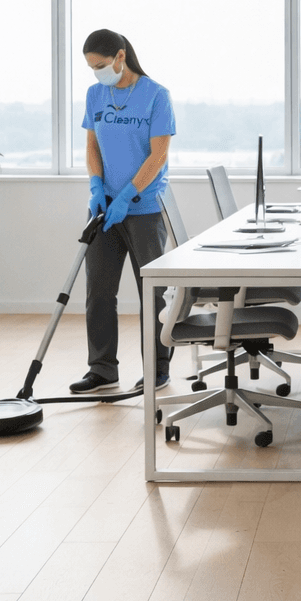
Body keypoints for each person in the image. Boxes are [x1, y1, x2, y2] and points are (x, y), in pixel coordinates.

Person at [70, 29, 176, 394]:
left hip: (143, 208)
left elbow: (158, 155)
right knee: (98, 291)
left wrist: (128, 195)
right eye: (91, 68)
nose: (97, 73)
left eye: (100, 65)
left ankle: (158, 369)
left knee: (154, 293)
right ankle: (102, 369)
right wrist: (96, 186)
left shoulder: (155, 96)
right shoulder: (95, 94)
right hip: (103, 207)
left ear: (120, 56)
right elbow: (92, 144)